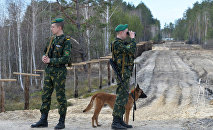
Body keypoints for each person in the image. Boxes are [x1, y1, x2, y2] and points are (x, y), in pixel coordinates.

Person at [31, 18, 71, 129]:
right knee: (45, 95)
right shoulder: (51, 39)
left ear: (60, 27)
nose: (51, 28)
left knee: (60, 96)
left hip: (59, 72)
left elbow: (66, 59)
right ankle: (43, 120)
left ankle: (61, 121)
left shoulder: (66, 40)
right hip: (49, 71)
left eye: (53, 27)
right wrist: (44, 57)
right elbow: (45, 51)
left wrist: (51, 61)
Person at [111, 24, 136, 129]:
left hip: (125, 73)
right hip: (122, 74)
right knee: (120, 97)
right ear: (120, 32)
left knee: (124, 97)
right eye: (126, 32)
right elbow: (131, 50)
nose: (127, 34)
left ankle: (120, 120)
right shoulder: (117, 43)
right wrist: (133, 39)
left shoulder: (122, 43)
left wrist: (131, 40)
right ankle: (115, 122)